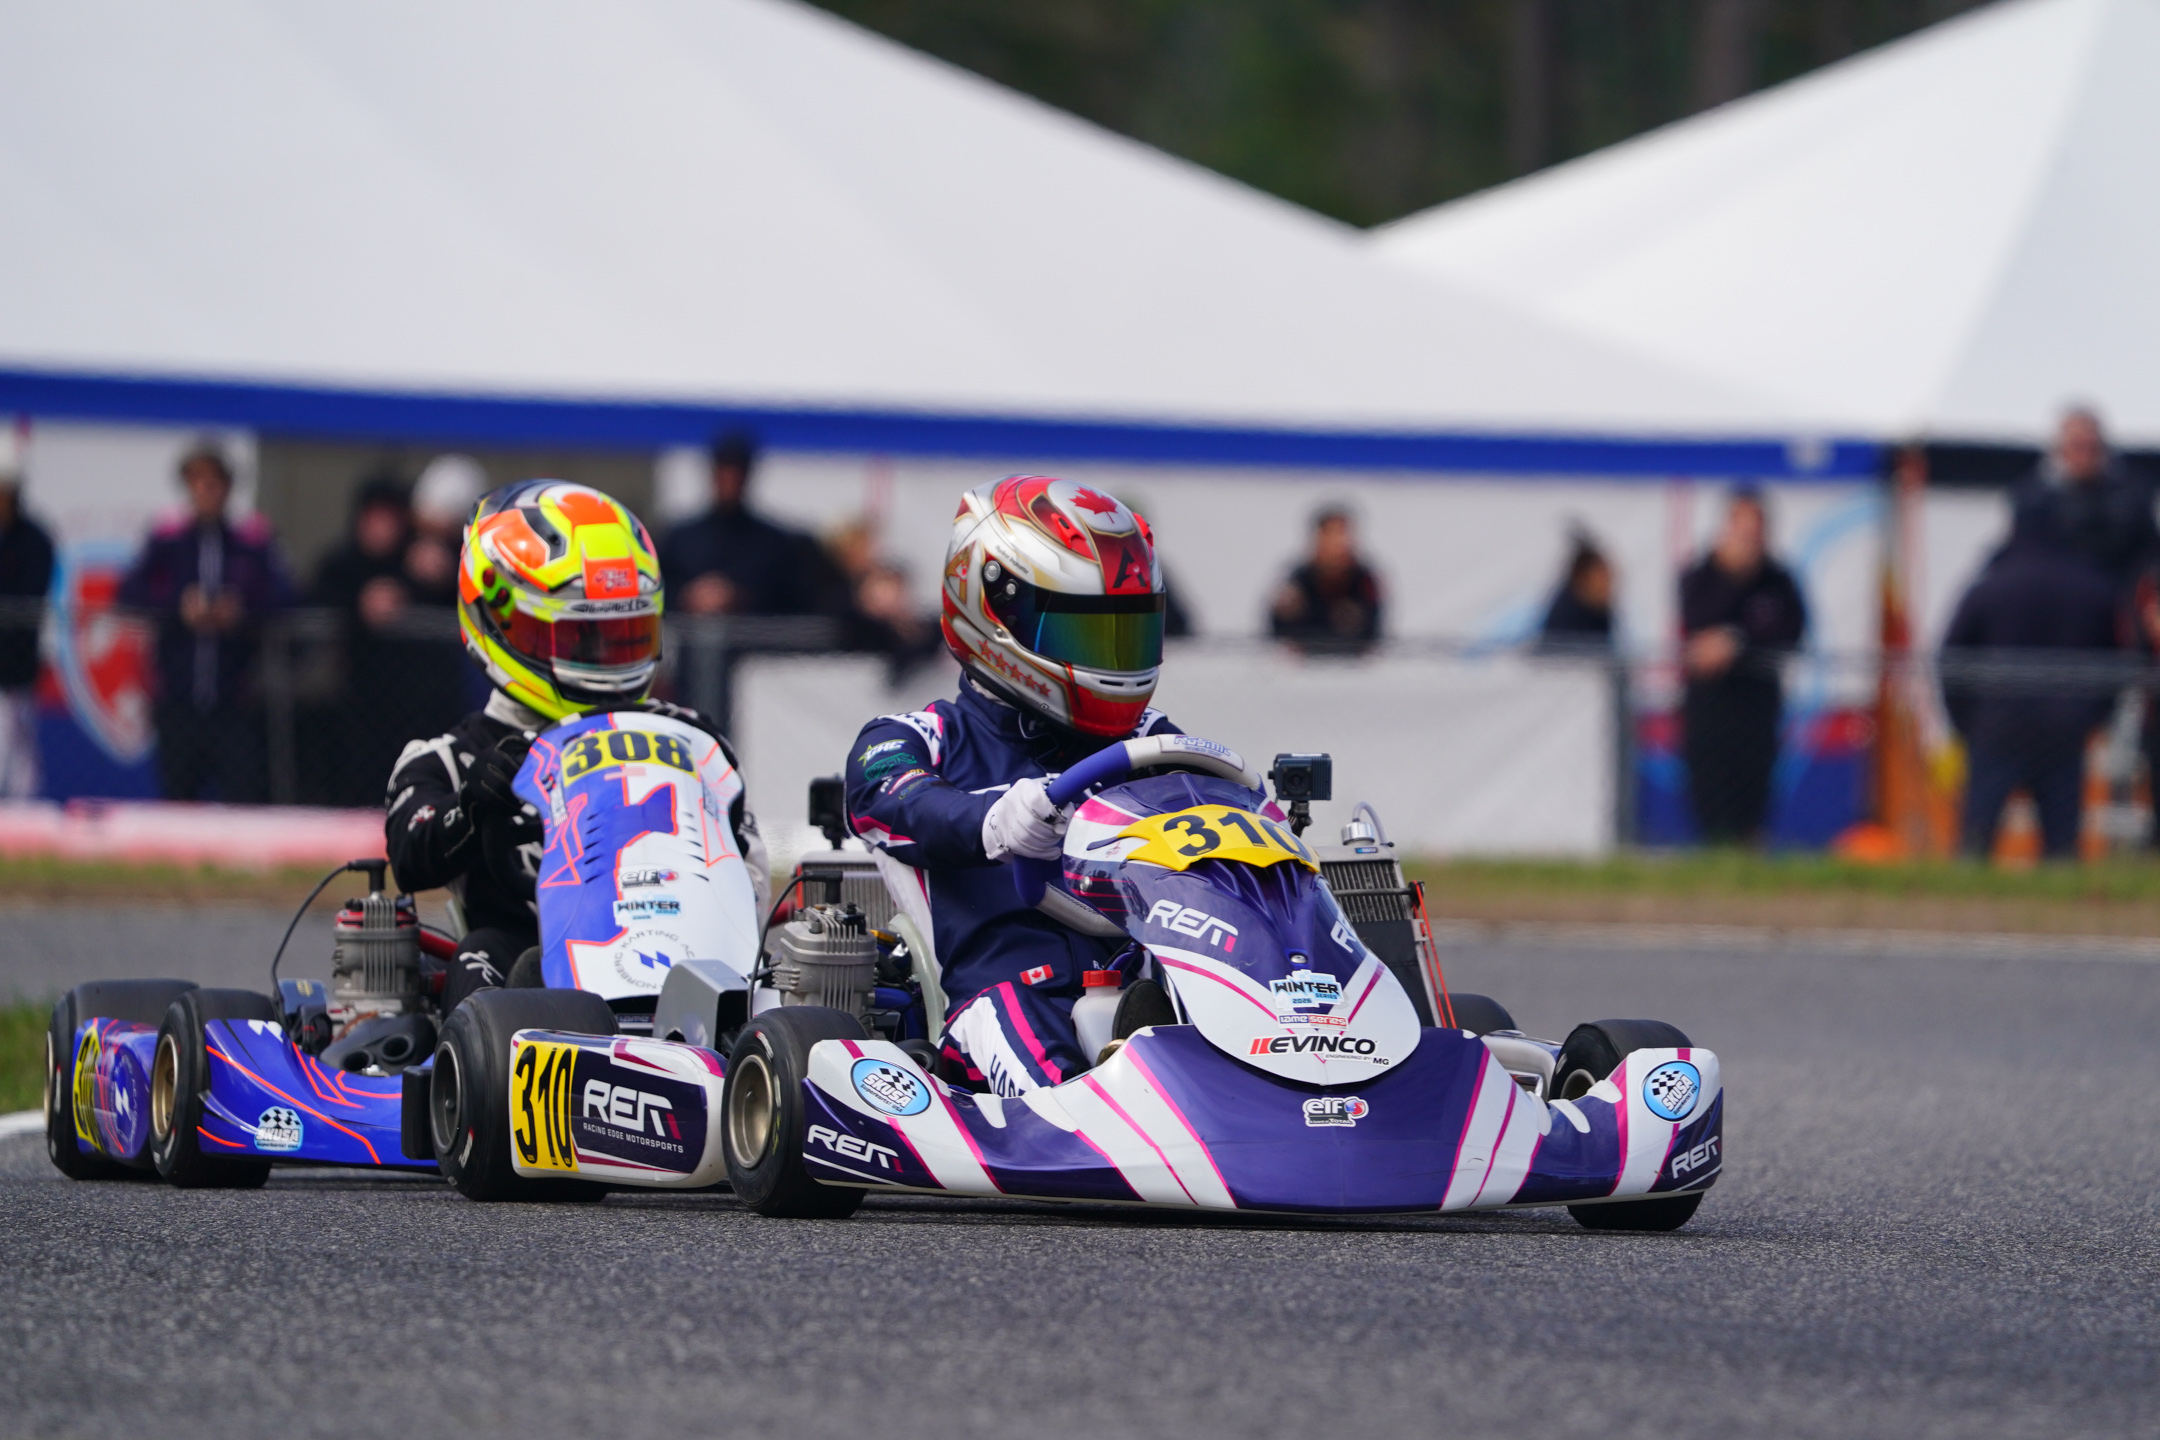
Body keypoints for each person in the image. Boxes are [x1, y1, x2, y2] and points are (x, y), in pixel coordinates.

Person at [844, 475, 1179, 1096]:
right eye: (1083, 634)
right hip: (1001, 997)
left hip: (1152, 985)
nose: (1113, 659)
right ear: (993, 616)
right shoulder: (917, 738)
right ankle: (1085, 1115)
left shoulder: (1151, 741)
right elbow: (895, 801)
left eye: (1126, 634)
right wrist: (997, 820)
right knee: (1034, 1046)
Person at [385, 479, 769, 1013]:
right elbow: (410, 854)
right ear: (499, 620)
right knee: (481, 955)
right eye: (581, 639)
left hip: (691, 959)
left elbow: (748, 871)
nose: (605, 657)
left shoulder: (691, 738)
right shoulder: (454, 757)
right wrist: (473, 805)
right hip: (535, 976)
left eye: (624, 635)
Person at [1942, 507, 2123, 860]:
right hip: (2065, 726)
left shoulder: (1992, 585)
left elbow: (1952, 658)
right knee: (2061, 844)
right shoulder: (2093, 585)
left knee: (1977, 837)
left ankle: (1966, 886)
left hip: (1996, 723)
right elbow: (2116, 661)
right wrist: (2093, 717)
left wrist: (1966, 722)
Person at [118, 443, 293, 802]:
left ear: (227, 487)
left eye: (214, 482)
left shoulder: (250, 542)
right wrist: (179, 608)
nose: (206, 491)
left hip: (233, 700)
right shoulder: (168, 541)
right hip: (177, 698)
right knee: (178, 797)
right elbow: (130, 593)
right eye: (198, 482)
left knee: (241, 795)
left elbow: (286, 595)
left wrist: (240, 610)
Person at [1678, 489, 1806, 844]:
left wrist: (1738, 641)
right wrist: (1732, 577)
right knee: (1711, 799)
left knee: (1753, 800)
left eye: (1756, 531)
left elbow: (1790, 631)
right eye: (1743, 529)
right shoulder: (1702, 575)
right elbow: (1698, 623)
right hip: (1711, 707)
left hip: (1757, 707)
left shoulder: (1778, 580)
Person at [656, 432, 832, 616]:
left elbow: (793, 601)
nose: (729, 481)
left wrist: (741, 597)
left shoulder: (773, 544)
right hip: (685, 631)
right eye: (724, 472)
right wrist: (687, 596)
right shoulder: (679, 539)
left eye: (736, 474)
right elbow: (654, 592)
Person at [2011, 407, 2157, 588]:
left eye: (2092, 448)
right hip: (2059, 591)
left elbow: (2149, 552)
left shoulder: (2132, 495)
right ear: (2061, 450)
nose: (2085, 456)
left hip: (2118, 589)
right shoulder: (2033, 500)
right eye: (2077, 447)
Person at [0, 461, 55, 798]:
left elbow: (30, 597)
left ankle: (21, 811)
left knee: (16, 748)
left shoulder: (33, 539)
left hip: (14, 668)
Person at [1270, 506, 1382, 654]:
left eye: (1341, 534)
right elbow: (1278, 634)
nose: (1336, 542)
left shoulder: (1363, 579)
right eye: (1330, 534)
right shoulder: (1297, 579)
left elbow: (1374, 631)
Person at [1537, 529, 1615, 650]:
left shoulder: (1600, 612)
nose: (1609, 585)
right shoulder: (1566, 616)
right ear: (1581, 579)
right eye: (1603, 579)